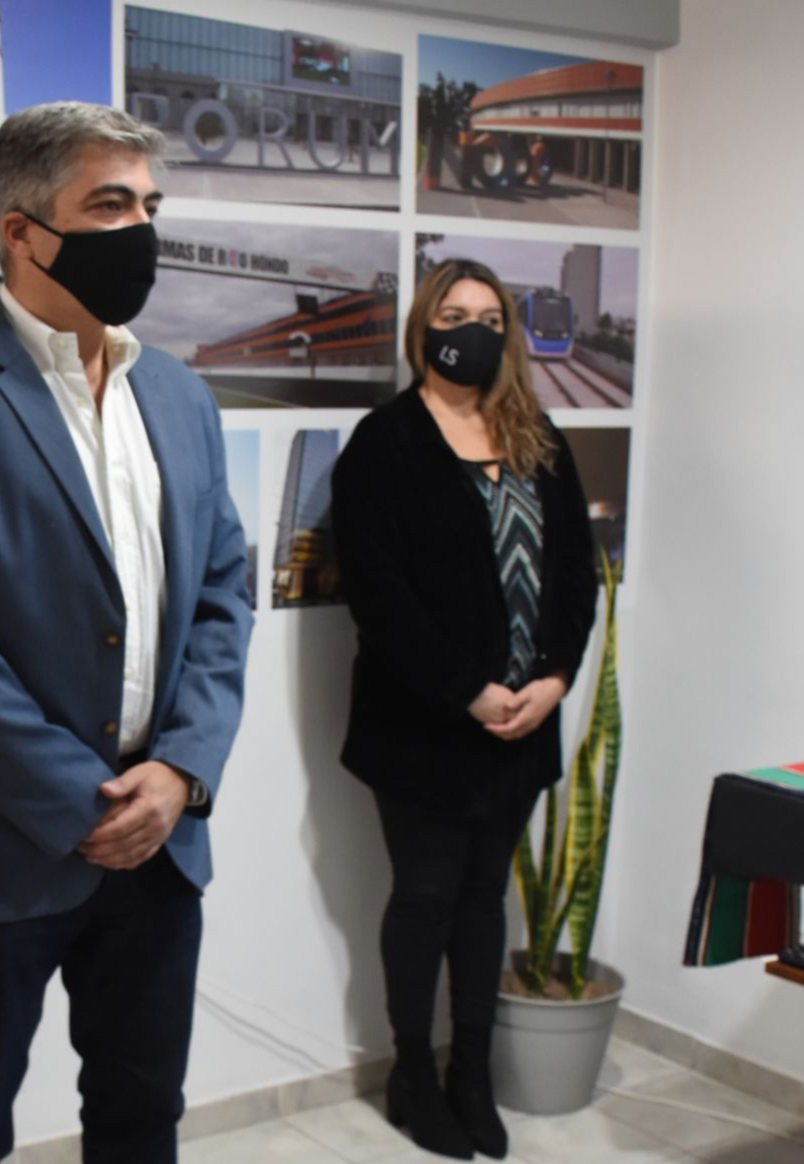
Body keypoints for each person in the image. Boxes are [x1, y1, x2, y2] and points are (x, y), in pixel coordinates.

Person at [0, 102, 254, 1164]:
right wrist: (80, 803)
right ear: (21, 231)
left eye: (149, 205)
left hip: (162, 841)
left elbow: (223, 592)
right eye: (109, 204)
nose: (142, 231)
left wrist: (180, 771)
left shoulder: (178, 393)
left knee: (139, 1115)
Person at [331, 259, 598, 1160]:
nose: (473, 330)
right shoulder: (386, 441)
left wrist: (553, 679)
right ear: (424, 327)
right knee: (428, 895)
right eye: (455, 314)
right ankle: (413, 1070)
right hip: (425, 727)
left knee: (485, 901)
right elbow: (381, 595)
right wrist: (470, 690)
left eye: (490, 316)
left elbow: (573, 577)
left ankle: (470, 1073)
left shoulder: (535, 434)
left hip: (524, 723)